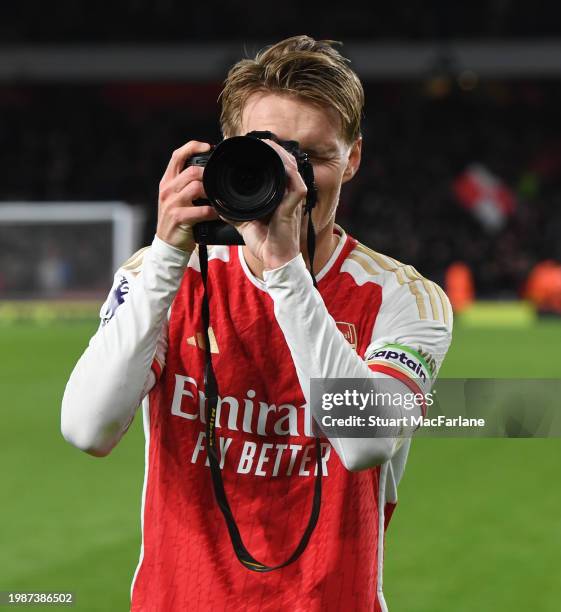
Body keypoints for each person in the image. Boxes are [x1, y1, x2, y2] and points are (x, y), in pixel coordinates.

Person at [61, 35, 453, 612]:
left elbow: (364, 442)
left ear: (354, 159)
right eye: (268, 156)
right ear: (228, 154)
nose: (292, 180)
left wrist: (284, 270)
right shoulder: (167, 276)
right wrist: (168, 253)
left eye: (313, 158)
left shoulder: (404, 298)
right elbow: (88, 430)